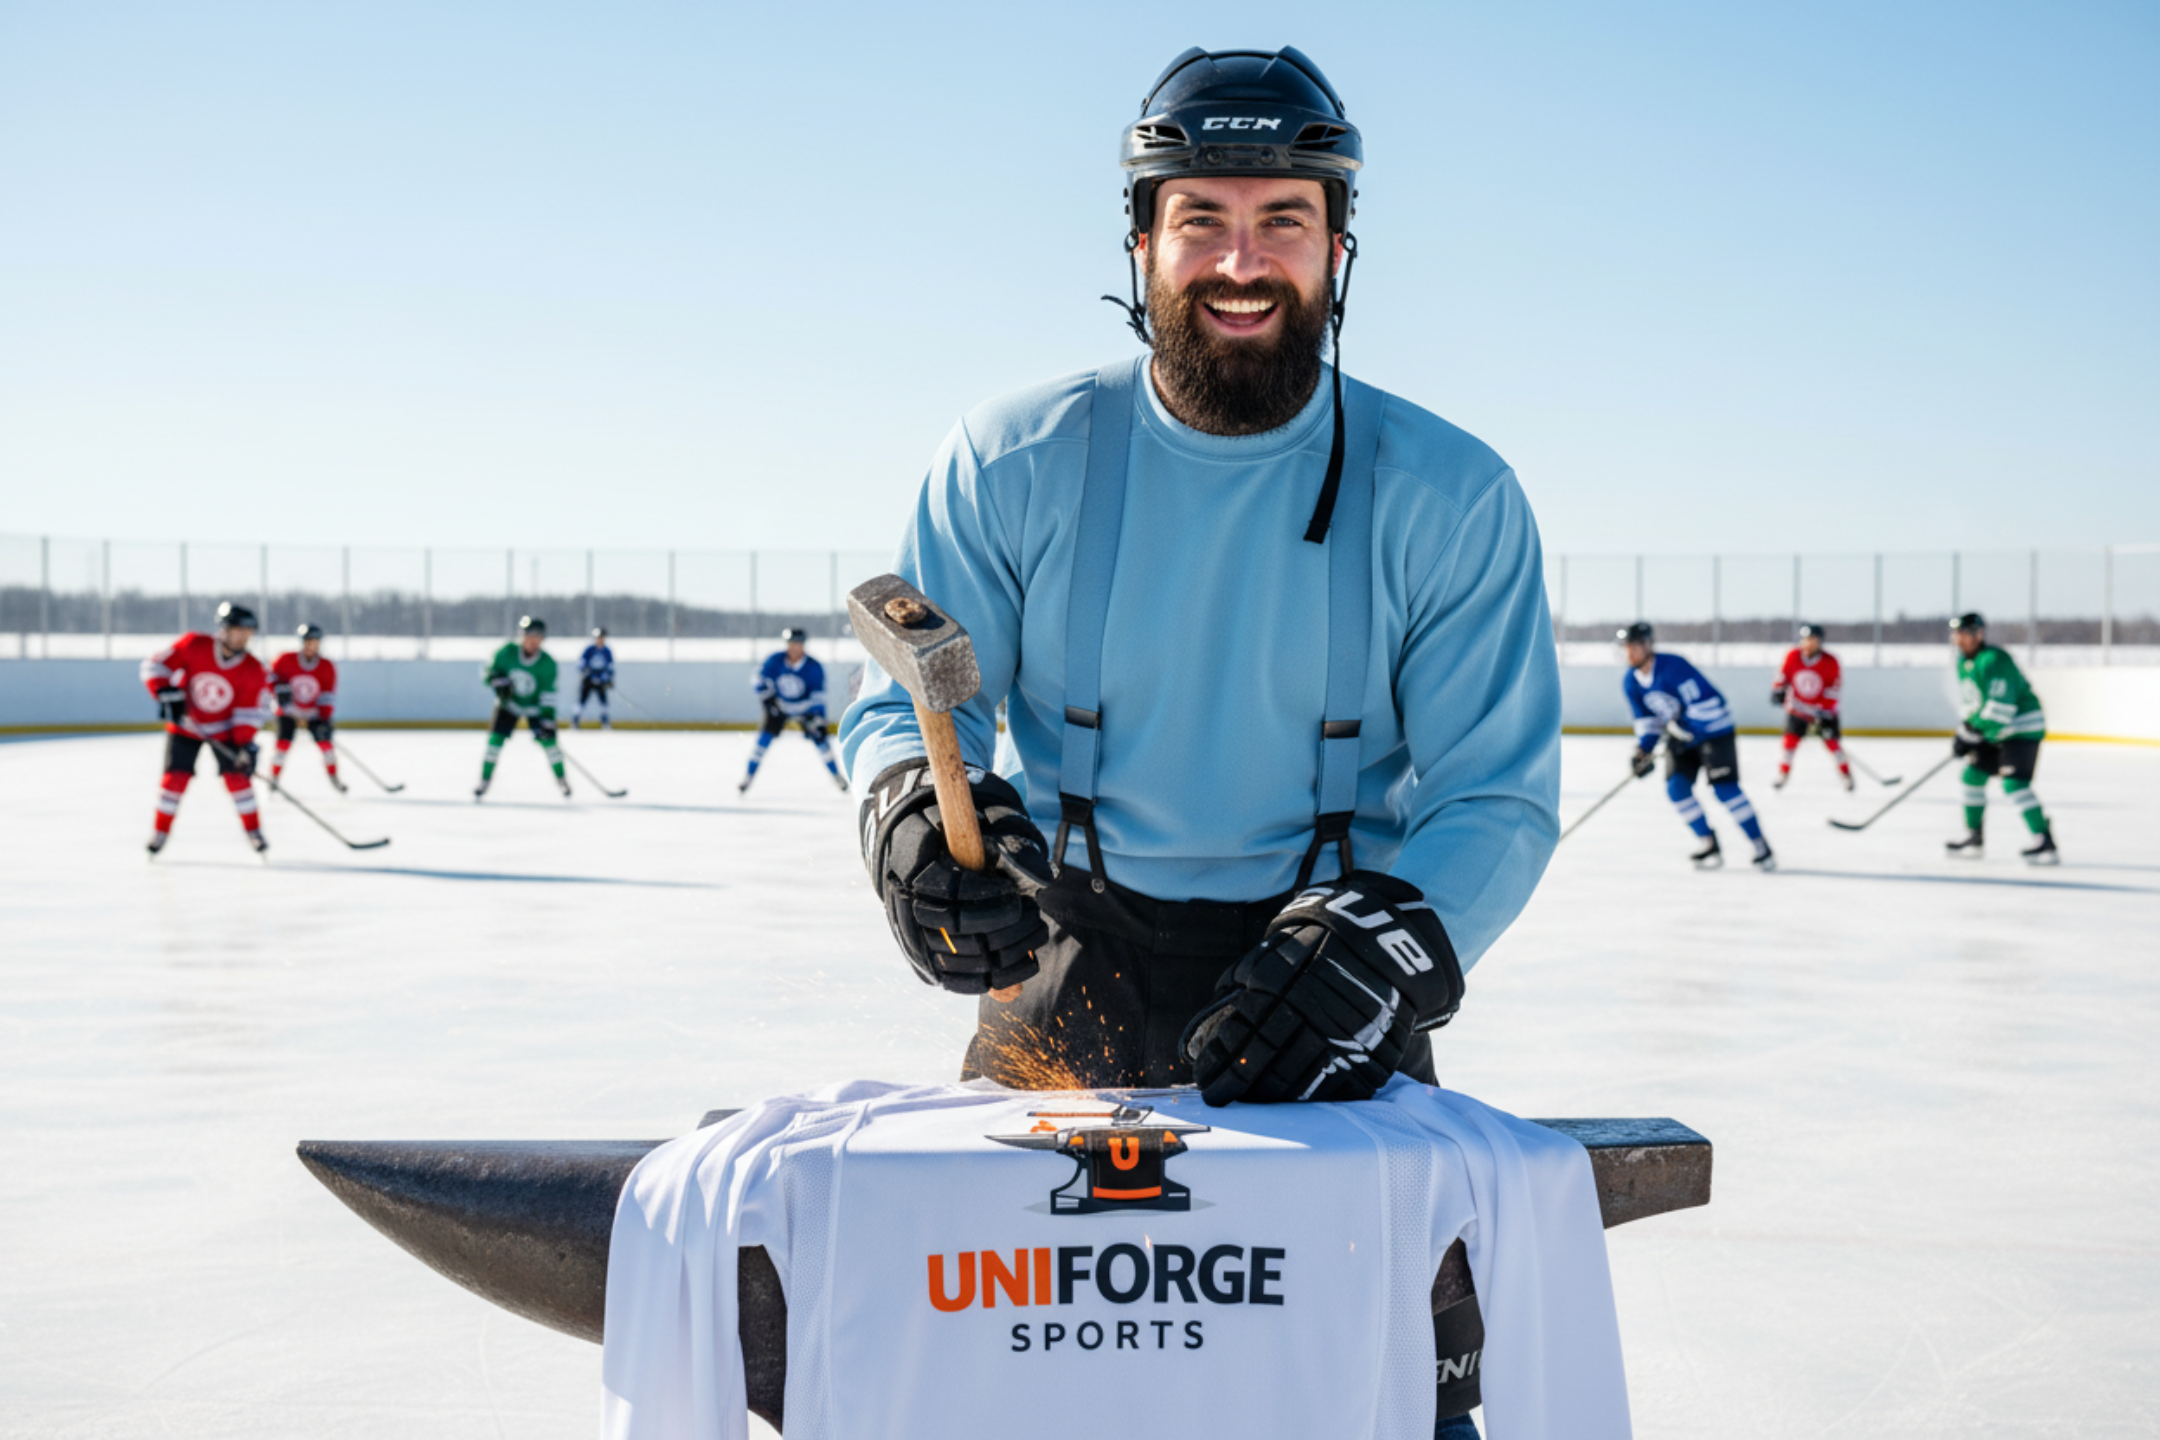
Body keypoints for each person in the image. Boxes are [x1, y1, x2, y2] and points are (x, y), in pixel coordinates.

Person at [1619, 622, 1775, 871]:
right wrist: (1644, 750)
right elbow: (1647, 721)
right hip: (1682, 737)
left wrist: (1687, 726)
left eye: (1634, 646)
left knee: (1725, 790)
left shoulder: (1673, 667)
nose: (1630, 653)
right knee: (1676, 789)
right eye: (1626, 648)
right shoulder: (1631, 681)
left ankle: (1760, 845)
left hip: (1715, 733)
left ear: (1648, 645)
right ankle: (1709, 843)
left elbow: (1712, 701)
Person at [140, 601, 275, 856]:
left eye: (248, 633)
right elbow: (154, 665)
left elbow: (247, 712)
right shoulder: (194, 645)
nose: (243, 638)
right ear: (223, 630)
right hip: (186, 727)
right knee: (174, 781)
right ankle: (160, 833)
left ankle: (254, 832)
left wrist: (245, 745)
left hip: (224, 731)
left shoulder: (253, 669)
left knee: (238, 781)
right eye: (238, 631)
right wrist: (165, 691)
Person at [1946, 612, 2057, 863]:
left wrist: (1973, 732)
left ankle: (2045, 842)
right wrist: (1964, 731)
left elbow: (2000, 707)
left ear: (1978, 634)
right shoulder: (1964, 663)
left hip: (2021, 728)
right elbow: (1973, 703)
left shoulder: (1995, 660)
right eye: (1955, 633)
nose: (1957, 638)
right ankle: (1974, 838)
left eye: (1962, 633)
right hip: (1994, 730)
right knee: (1971, 777)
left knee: (2014, 784)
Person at [740, 628, 846, 793]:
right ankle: (747, 778)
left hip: (806, 710)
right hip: (779, 708)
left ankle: (837, 777)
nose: (794, 648)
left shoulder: (813, 667)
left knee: (823, 744)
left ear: (804, 645)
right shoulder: (775, 660)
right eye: (791, 643)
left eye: (798, 644)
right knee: (762, 742)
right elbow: (758, 678)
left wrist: (818, 718)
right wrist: (768, 699)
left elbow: (818, 696)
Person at [475, 616, 570, 800]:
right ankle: (484, 780)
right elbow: (488, 671)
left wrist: (548, 719)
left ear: (543, 639)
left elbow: (548, 695)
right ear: (521, 636)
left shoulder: (547, 663)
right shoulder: (506, 653)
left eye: (537, 636)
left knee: (551, 744)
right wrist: (496, 680)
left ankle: (562, 780)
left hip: (535, 708)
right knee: (494, 742)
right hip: (508, 705)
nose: (532, 641)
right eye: (528, 635)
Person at [1772, 622, 1851, 791]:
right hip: (1798, 710)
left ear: (1820, 641)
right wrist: (1778, 690)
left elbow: (1833, 690)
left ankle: (1846, 775)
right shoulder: (1793, 656)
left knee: (1833, 744)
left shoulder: (1830, 662)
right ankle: (1783, 774)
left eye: (1813, 640)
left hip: (1824, 713)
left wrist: (1821, 711)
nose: (1809, 643)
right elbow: (1782, 676)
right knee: (1789, 742)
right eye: (1806, 639)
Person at [269, 623, 344, 791]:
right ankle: (273, 778)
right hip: (288, 712)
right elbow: (269, 678)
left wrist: (323, 717)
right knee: (282, 747)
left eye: (314, 642)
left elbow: (327, 695)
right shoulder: (285, 660)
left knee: (327, 747)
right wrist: (279, 691)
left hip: (313, 714)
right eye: (307, 641)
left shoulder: (326, 666)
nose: (310, 645)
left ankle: (334, 777)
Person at [574, 627, 615, 730]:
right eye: (597, 638)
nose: (599, 640)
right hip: (588, 680)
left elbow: (610, 666)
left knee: (603, 701)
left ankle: (605, 722)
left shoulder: (607, 651)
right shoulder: (589, 650)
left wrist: (608, 677)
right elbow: (581, 663)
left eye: (601, 638)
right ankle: (575, 721)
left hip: (601, 681)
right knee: (581, 701)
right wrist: (587, 672)